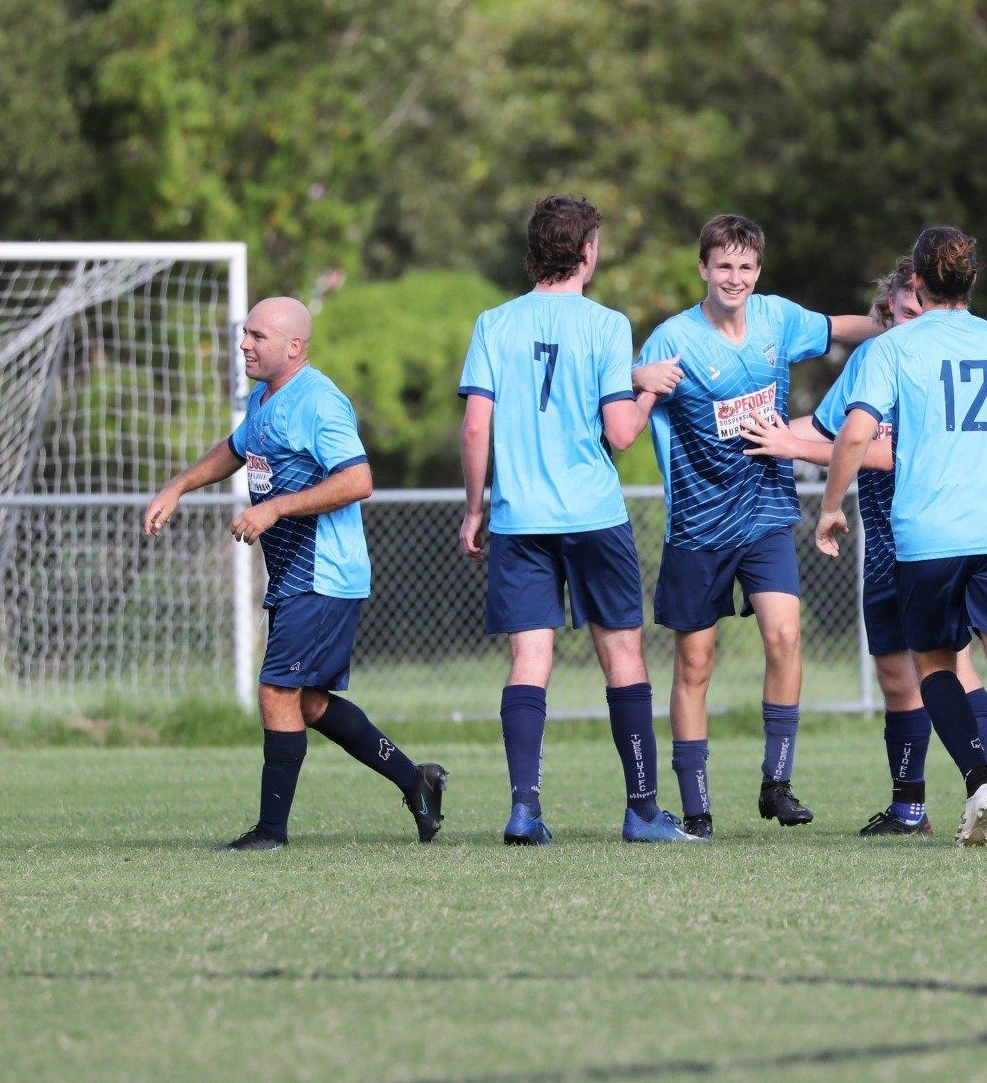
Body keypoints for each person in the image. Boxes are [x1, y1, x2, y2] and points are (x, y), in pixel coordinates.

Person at [144, 296, 446, 852]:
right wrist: (178, 485)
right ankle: (417, 781)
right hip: (293, 575)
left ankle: (270, 832)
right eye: (245, 334)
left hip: (323, 573)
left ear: (294, 346)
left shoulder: (321, 402)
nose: (244, 344)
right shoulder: (265, 397)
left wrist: (276, 507)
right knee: (305, 704)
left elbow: (357, 480)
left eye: (257, 336)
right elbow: (237, 449)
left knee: (276, 691)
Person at [816, 226, 987, 849]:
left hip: (927, 537)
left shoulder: (895, 348)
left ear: (919, 285)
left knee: (934, 664)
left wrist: (830, 505)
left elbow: (854, 435)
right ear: (972, 281)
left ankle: (981, 781)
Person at [740, 257, 987, 837]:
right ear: (887, 311)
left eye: (922, 309)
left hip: (936, 535)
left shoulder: (939, 363)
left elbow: (896, 452)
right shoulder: (874, 360)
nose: (914, 319)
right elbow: (821, 427)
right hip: (885, 544)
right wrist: (751, 423)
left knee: (955, 662)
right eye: (904, 310)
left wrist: (796, 449)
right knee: (895, 674)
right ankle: (909, 807)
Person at [458, 194, 698, 844]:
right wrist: (649, 387)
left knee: (529, 659)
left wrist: (475, 507)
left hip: (519, 516)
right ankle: (642, 811)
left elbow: (477, 424)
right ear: (587, 251)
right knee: (622, 656)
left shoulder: (494, 323)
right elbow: (622, 434)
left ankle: (525, 809)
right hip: (592, 513)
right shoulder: (607, 325)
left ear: (534, 251)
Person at [637, 214, 881, 838]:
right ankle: (696, 806)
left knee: (786, 638)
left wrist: (905, 328)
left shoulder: (776, 319)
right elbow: (616, 409)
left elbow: (837, 328)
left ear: (758, 271)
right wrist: (633, 380)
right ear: (703, 269)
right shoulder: (672, 340)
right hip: (696, 525)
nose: (735, 278)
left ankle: (777, 782)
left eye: (745, 267)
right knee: (695, 665)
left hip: (767, 513)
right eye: (723, 266)